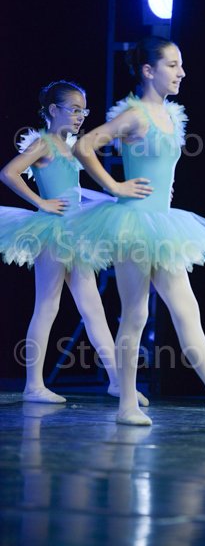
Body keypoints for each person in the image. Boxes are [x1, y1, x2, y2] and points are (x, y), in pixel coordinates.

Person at [74, 37, 205, 431]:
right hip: (134, 225)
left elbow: (161, 167)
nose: (181, 73)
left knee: (187, 309)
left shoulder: (172, 115)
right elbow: (85, 145)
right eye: (172, 65)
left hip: (163, 222)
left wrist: (165, 188)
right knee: (136, 313)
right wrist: (115, 185)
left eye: (180, 65)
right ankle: (126, 403)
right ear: (148, 71)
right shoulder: (134, 116)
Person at [0, 80, 151, 406]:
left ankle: (116, 381)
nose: (81, 116)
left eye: (84, 110)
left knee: (93, 309)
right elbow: (9, 173)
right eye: (74, 110)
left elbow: (74, 191)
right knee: (47, 306)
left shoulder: (69, 146)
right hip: (53, 233)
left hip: (76, 234)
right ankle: (33, 385)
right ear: (54, 110)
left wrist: (111, 198)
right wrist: (41, 202)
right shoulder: (43, 144)